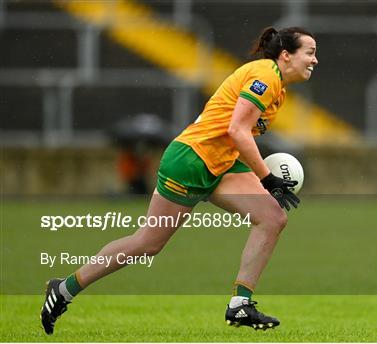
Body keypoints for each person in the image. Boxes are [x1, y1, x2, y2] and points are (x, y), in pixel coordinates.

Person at [40, 26, 318, 334]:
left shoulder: (277, 86)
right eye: (310, 52)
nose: (314, 60)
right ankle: (63, 289)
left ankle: (240, 304)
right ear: (285, 55)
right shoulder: (265, 75)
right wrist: (267, 178)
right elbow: (237, 131)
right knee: (148, 243)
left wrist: (263, 181)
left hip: (219, 164)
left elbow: (233, 134)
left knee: (272, 217)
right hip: (189, 161)